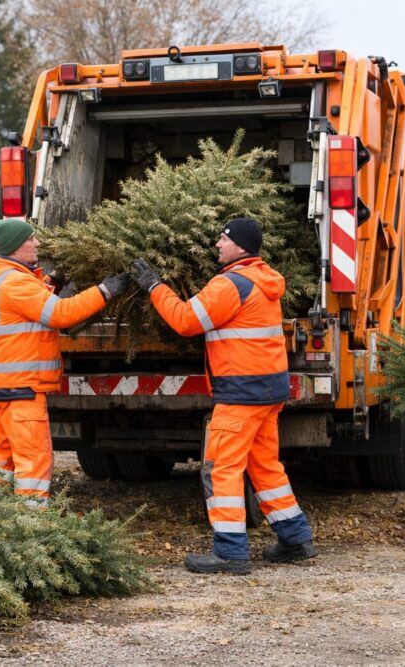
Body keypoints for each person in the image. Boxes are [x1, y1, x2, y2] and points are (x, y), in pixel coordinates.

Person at [130, 217, 315, 575]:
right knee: (265, 466)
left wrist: (155, 286)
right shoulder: (264, 280)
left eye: (223, 239)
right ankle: (295, 538)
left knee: (221, 469)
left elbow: (185, 321)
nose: (217, 245)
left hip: (240, 394)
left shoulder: (230, 284)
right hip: (267, 390)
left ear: (240, 246)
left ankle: (230, 551)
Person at [0, 218, 129, 508]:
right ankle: (32, 528)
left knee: (4, 454)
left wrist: (53, 282)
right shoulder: (15, 282)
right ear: (15, 247)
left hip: (5, 385)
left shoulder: (4, 277)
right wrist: (105, 290)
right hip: (22, 386)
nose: (37, 244)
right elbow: (61, 314)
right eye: (31, 240)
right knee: (33, 459)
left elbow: (30, 307)